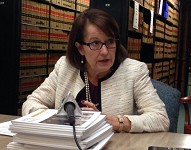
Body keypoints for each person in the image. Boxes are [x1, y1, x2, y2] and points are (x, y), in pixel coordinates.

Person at [22, 8, 169, 133]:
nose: (105, 51)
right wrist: (61, 119)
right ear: (80, 48)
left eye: (110, 41)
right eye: (95, 43)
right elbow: (31, 103)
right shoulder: (65, 67)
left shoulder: (134, 71)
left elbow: (161, 119)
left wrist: (113, 121)